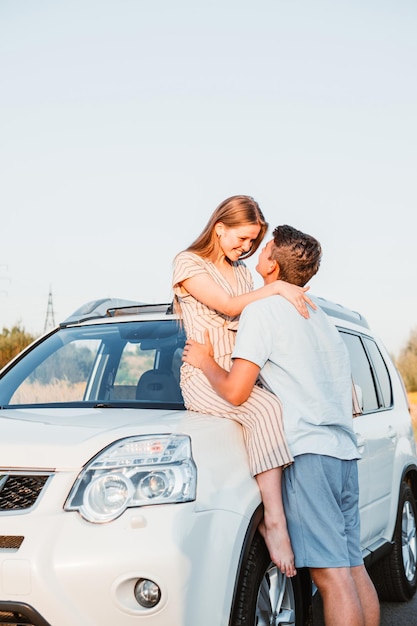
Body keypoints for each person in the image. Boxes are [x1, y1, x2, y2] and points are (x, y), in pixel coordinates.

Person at [182, 224, 380, 626]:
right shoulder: (319, 315)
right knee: (353, 566)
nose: (258, 248)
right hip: (344, 454)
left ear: (271, 263)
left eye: (265, 246)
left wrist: (204, 361)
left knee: (330, 575)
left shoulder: (263, 310)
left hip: (309, 454)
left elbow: (237, 392)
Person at [173, 195, 315, 577]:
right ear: (219, 228)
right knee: (265, 408)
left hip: (238, 370)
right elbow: (231, 306)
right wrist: (279, 288)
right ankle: (275, 521)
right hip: (203, 373)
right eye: (242, 238)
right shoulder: (188, 263)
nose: (247, 247)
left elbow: (255, 325)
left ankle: (298, 507)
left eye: (254, 241)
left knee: (291, 401)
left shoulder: (244, 274)